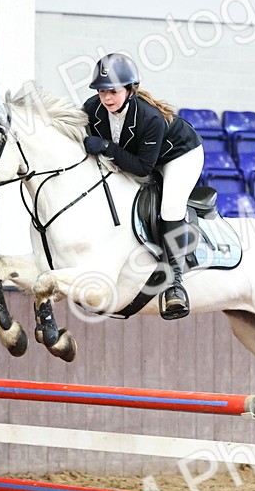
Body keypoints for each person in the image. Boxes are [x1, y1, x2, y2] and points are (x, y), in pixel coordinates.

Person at [81, 53, 204, 320]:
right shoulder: (93, 109)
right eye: (101, 92)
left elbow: (142, 169)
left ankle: (175, 284)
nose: (106, 98)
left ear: (130, 89)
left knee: (170, 207)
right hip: (140, 156)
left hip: (179, 156)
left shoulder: (150, 117)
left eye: (113, 91)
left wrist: (105, 147)